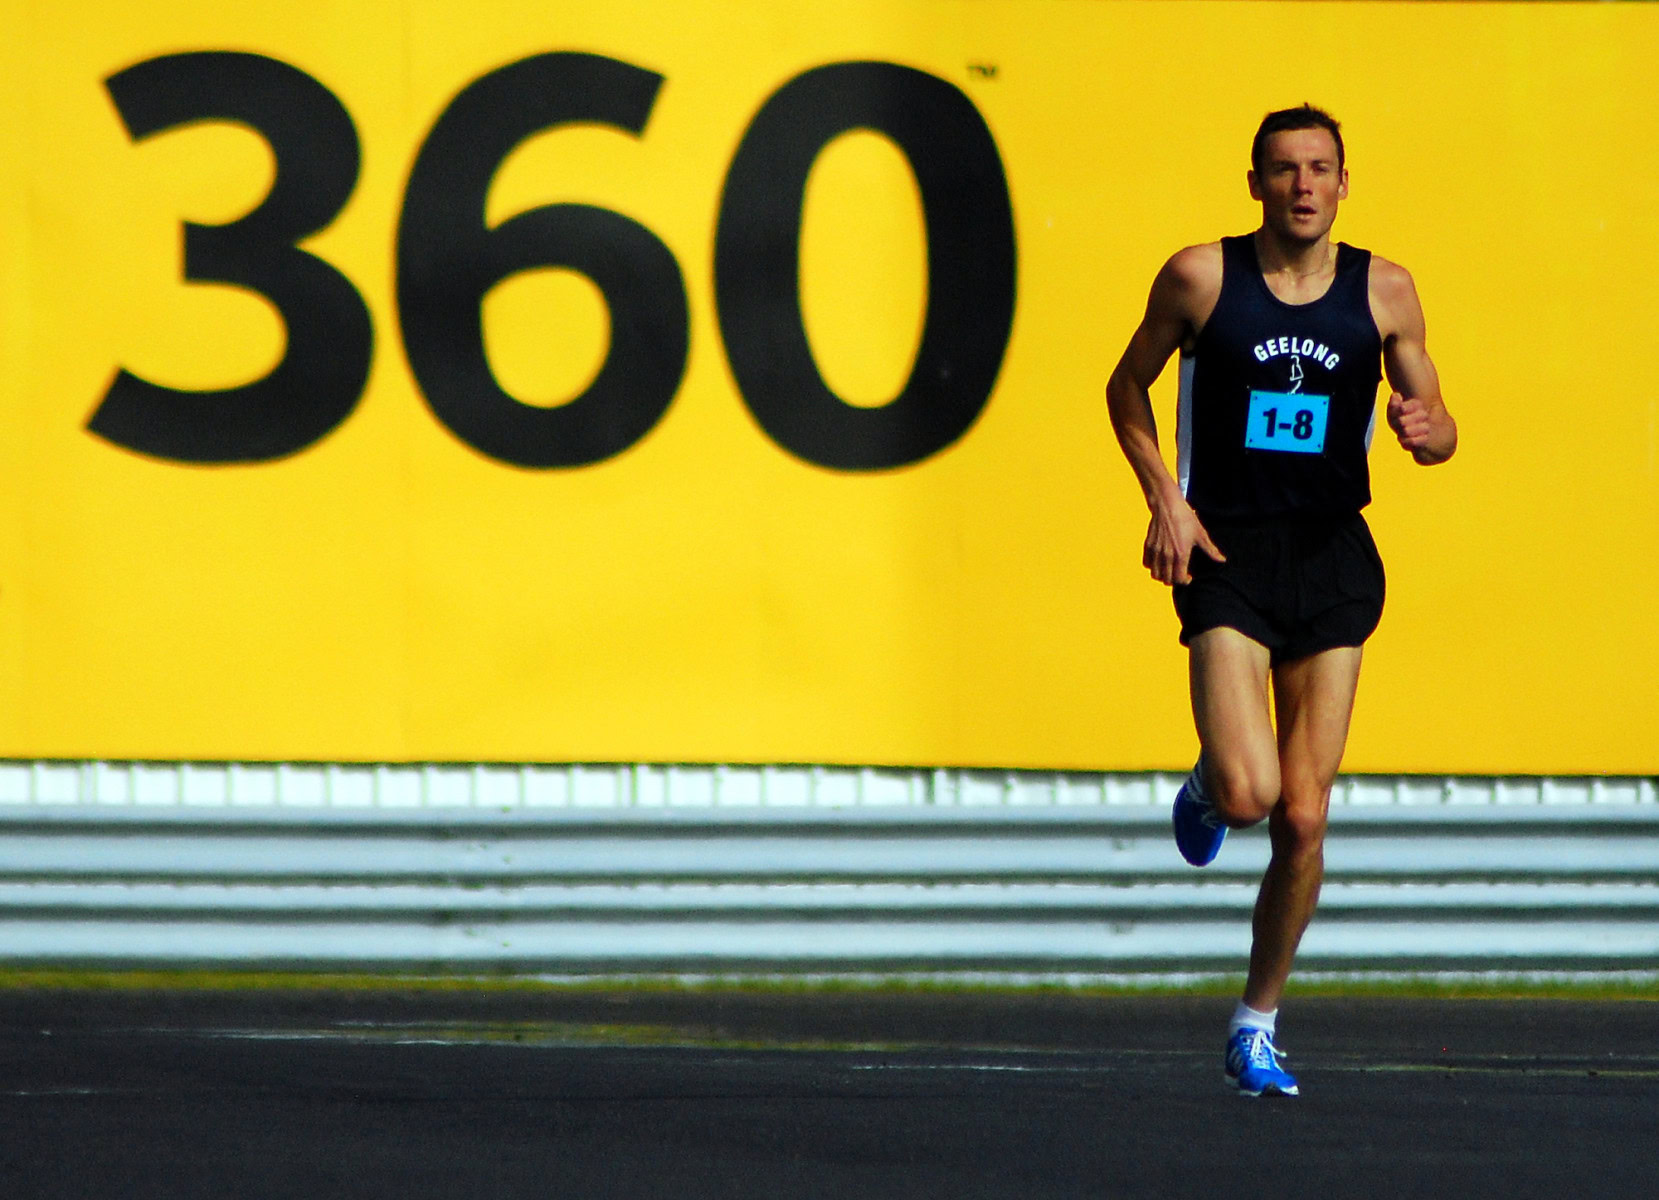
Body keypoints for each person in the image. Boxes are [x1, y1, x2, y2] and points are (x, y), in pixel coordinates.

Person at [1104, 105, 1457, 1097]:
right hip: (1228, 553)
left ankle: (1256, 1023)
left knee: (1304, 818)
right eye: (1284, 170)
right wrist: (1165, 499)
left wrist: (1431, 429)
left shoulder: (1385, 291)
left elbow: (1438, 425)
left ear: (1345, 183)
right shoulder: (1202, 279)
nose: (1303, 185)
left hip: (1333, 559)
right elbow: (1125, 387)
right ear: (1255, 183)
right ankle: (1212, 786)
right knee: (1253, 795)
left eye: (1320, 169)